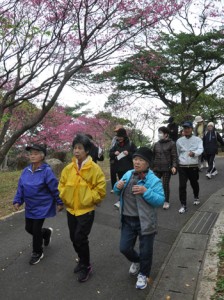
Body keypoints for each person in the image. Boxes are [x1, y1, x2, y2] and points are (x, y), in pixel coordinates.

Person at [113, 147, 164, 290]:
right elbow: (117, 190)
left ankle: (143, 273)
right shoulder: (128, 174)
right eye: (135, 159)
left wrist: (146, 191)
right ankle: (137, 261)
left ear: (148, 163)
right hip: (127, 219)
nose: (137, 162)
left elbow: (160, 200)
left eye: (141, 160)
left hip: (145, 221)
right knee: (124, 248)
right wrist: (117, 186)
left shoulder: (153, 180)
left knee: (146, 250)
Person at [58, 134, 106, 283]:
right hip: (71, 210)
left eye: (80, 148)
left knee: (80, 237)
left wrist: (90, 199)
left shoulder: (94, 168)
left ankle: (86, 265)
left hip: (86, 210)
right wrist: (64, 199)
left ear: (87, 151)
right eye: (75, 148)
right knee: (73, 237)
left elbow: (100, 189)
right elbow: (62, 185)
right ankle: (82, 259)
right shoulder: (68, 168)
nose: (76, 151)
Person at [13, 144, 64, 265]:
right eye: (31, 154)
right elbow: (21, 187)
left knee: (35, 230)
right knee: (28, 228)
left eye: (35, 153)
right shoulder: (26, 171)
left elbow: (54, 188)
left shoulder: (46, 171)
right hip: (30, 206)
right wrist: (18, 200)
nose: (32, 156)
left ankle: (37, 252)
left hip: (43, 205)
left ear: (42, 156)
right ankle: (46, 233)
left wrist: (59, 202)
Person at [176, 121, 203, 214]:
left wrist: (194, 153)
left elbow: (200, 149)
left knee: (194, 183)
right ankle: (183, 205)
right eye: (185, 128)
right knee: (182, 186)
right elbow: (178, 152)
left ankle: (196, 197)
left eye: (188, 128)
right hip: (182, 166)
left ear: (191, 129)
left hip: (193, 166)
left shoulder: (198, 140)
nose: (186, 130)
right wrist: (178, 163)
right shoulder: (179, 141)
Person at [109, 128, 137, 208]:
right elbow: (110, 154)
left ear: (124, 136)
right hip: (119, 169)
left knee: (130, 185)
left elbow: (136, 155)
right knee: (122, 185)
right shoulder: (116, 144)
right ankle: (121, 200)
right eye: (118, 136)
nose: (119, 138)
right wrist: (114, 153)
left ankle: (127, 201)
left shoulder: (131, 144)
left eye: (120, 136)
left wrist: (129, 153)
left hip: (128, 169)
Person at [153, 126, 178, 210]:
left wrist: (174, 166)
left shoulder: (172, 143)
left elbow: (174, 156)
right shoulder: (156, 144)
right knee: (154, 184)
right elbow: (153, 156)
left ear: (166, 134)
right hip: (156, 167)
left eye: (161, 133)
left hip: (167, 168)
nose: (159, 134)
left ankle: (166, 201)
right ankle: (156, 199)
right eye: (158, 132)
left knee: (165, 185)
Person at [109, 124, 124, 193]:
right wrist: (113, 153)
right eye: (116, 131)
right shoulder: (114, 138)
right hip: (113, 158)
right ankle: (113, 187)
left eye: (118, 131)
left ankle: (122, 187)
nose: (116, 132)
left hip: (121, 159)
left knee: (121, 174)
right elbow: (111, 148)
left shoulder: (125, 139)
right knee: (113, 173)